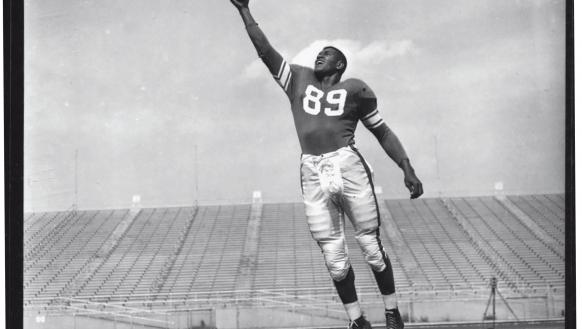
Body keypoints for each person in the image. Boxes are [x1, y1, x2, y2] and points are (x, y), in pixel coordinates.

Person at [229, 1, 423, 328]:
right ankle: (357, 320)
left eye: (328, 53)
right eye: (319, 52)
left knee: (370, 247)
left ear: (340, 64)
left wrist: (407, 167)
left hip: (346, 163)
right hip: (311, 169)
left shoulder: (356, 90)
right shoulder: (297, 80)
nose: (320, 55)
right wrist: (244, 11)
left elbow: (382, 131)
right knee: (334, 257)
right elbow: (265, 50)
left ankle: (392, 312)